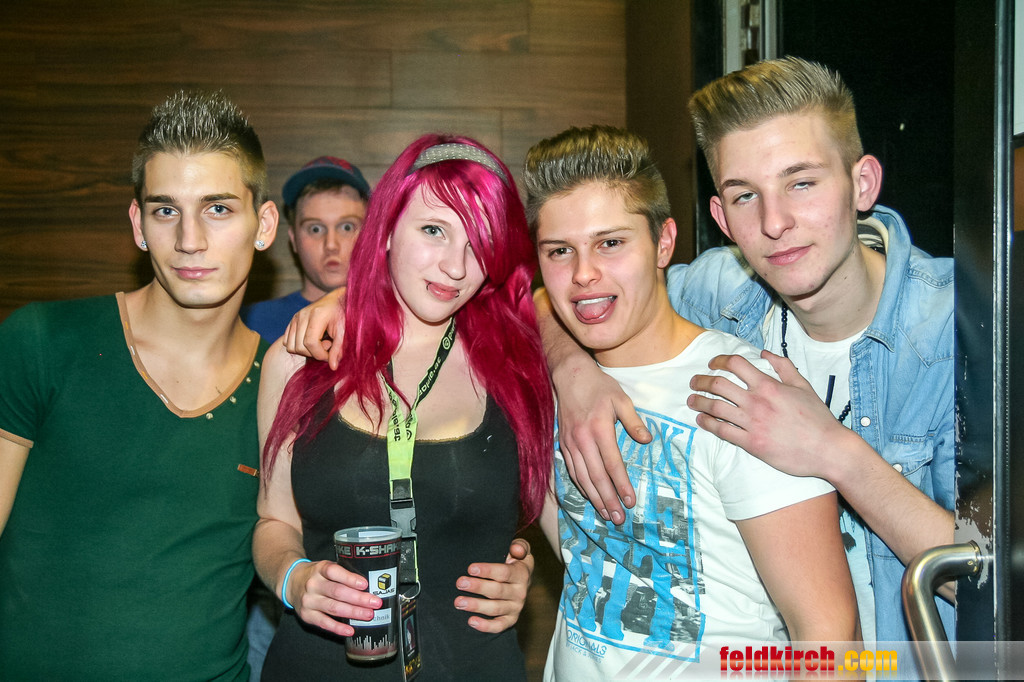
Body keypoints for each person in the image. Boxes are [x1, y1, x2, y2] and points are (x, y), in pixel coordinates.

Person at [539, 57, 955, 659]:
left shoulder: (963, 330)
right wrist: (572, 370)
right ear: (721, 218)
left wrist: (834, 452)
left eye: (801, 183)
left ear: (863, 183)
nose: (775, 223)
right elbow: (558, 294)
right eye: (744, 196)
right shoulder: (719, 294)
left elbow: (996, 579)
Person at [525, 125, 857, 680]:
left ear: (663, 242)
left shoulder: (738, 388)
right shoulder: (547, 383)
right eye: (560, 251)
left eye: (611, 243)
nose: (583, 274)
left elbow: (830, 634)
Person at [0, 90, 280, 680]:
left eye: (219, 209)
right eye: (165, 210)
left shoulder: (283, 386)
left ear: (264, 225)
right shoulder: (43, 342)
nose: (189, 240)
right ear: (138, 224)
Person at [253, 133, 554, 680]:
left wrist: (520, 567)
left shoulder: (519, 369)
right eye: (434, 230)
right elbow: (274, 521)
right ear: (388, 227)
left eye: (480, 242)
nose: (456, 267)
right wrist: (294, 579)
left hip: (472, 666)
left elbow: (563, 531)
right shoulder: (299, 361)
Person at [242, 155, 371, 341]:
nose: (331, 245)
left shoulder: (396, 320)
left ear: (369, 234)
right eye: (315, 229)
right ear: (293, 239)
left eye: (347, 227)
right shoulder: (249, 323)